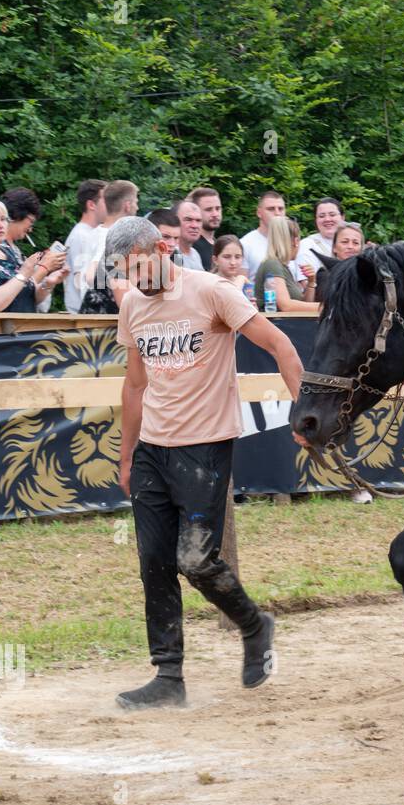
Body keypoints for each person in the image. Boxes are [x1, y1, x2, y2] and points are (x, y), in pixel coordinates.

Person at [112, 215, 303, 709]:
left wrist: (303, 414)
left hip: (205, 446)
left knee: (195, 560)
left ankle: (254, 624)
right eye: (127, 273)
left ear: (160, 248)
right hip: (153, 449)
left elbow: (279, 343)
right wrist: (127, 452)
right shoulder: (133, 305)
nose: (135, 281)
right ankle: (168, 677)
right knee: (154, 562)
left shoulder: (212, 291)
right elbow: (135, 383)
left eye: (139, 269)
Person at [0, 197, 66, 313]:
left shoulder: (8, 251)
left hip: (24, 327)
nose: (0, 225)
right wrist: (23, 274)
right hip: (0, 330)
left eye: (3, 219)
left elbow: (29, 296)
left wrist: (48, 283)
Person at [80, 179, 140, 314]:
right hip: (103, 315)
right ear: (127, 205)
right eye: (136, 202)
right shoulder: (115, 239)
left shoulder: (90, 235)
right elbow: (91, 277)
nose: (138, 207)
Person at [253, 216, 318, 313]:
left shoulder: (282, 267)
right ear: (296, 241)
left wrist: (311, 282)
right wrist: (326, 307)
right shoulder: (272, 264)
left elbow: (305, 308)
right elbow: (286, 306)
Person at [65, 179, 107, 313]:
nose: (111, 205)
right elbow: (82, 282)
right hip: (83, 316)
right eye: (106, 201)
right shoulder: (81, 236)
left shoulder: (91, 233)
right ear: (91, 205)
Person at [240, 191, 286, 281]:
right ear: (259, 213)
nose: (277, 213)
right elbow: (241, 284)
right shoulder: (245, 244)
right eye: (271, 209)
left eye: (281, 209)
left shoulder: (291, 243)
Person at [187, 187, 222, 269]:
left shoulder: (219, 245)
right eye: (209, 209)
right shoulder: (190, 245)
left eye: (218, 208)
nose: (215, 214)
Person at [211, 234, 250, 299]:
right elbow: (231, 297)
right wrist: (241, 278)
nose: (233, 262)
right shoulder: (210, 283)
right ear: (215, 260)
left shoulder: (243, 284)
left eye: (237, 257)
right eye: (227, 257)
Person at [172, 201, 205, 271]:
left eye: (198, 220)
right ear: (174, 221)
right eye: (188, 220)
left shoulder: (195, 254)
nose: (195, 226)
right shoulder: (174, 253)